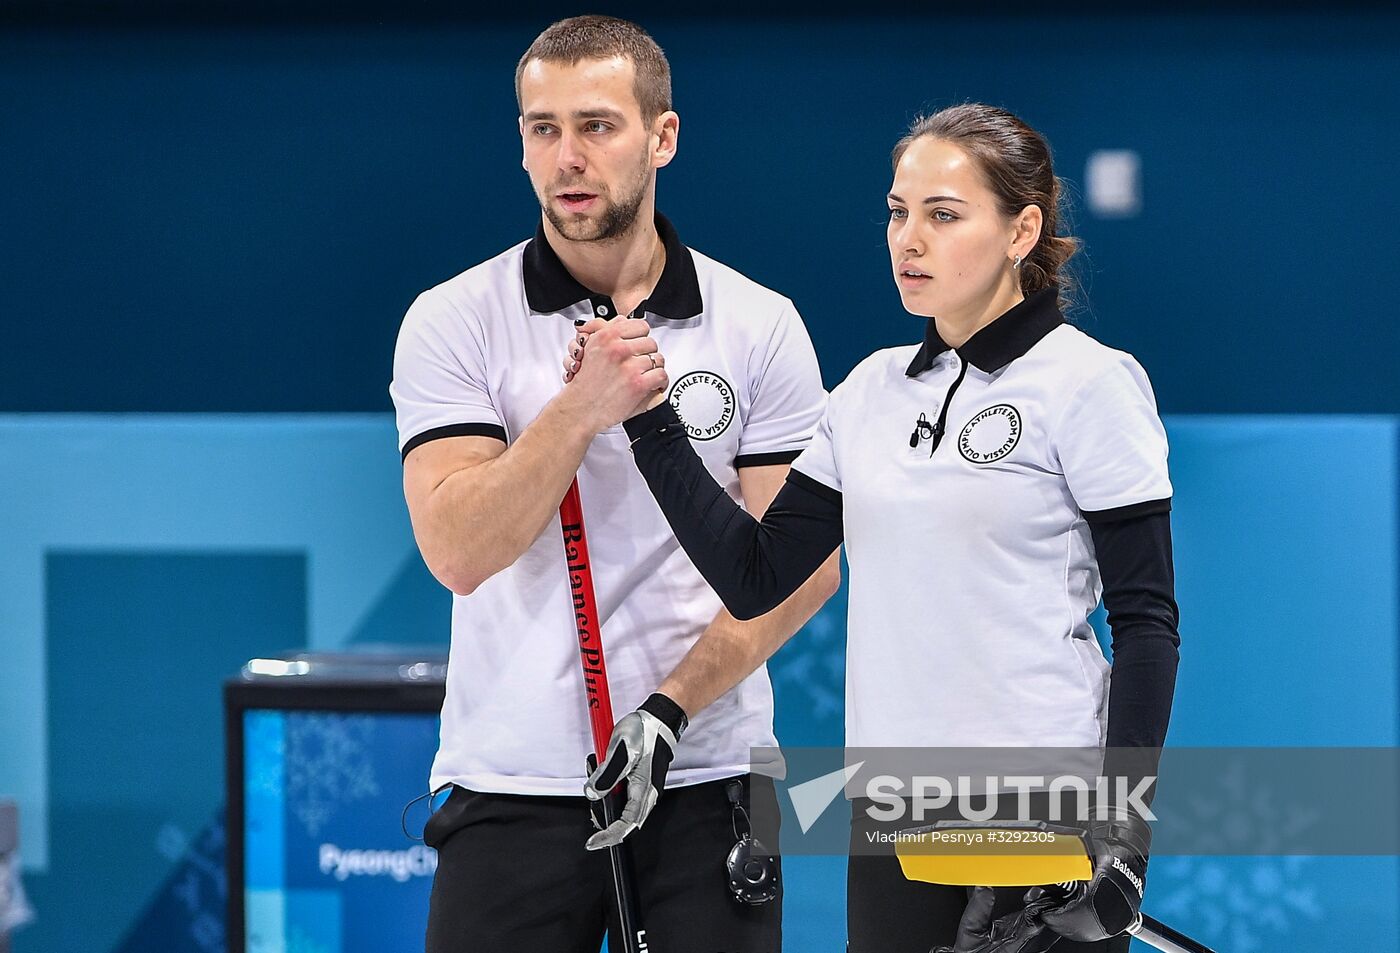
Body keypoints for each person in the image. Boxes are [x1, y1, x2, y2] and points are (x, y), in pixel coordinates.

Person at [567, 103, 1181, 953]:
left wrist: (1122, 834)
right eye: (898, 212)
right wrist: (650, 422)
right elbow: (755, 575)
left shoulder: (1091, 382)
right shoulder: (867, 391)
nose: (908, 239)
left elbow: (1146, 622)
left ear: (1021, 230)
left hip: (1045, 817)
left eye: (943, 214)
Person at [390, 15, 839, 953]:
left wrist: (671, 707)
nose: (567, 157)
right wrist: (581, 409)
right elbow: (458, 551)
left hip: (707, 776)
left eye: (596, 126)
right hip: (512, 783)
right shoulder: (454, 320)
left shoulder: (757, 324)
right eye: (542, 129)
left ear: (661, 137)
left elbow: (801, 569)